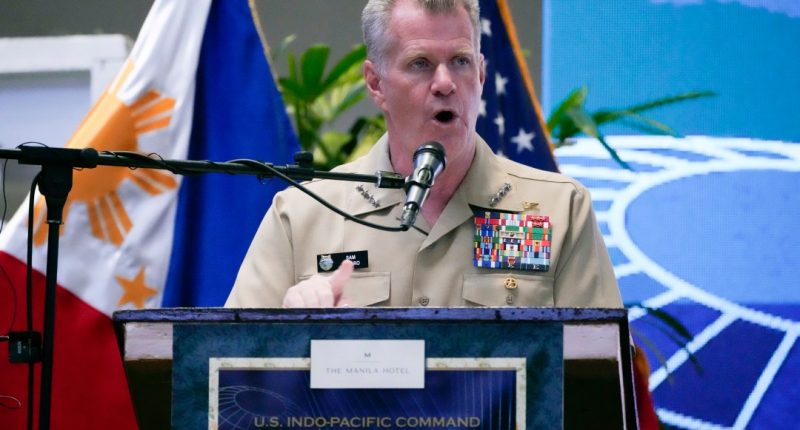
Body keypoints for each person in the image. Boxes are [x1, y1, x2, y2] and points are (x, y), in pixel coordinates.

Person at [225, 0, 622, 309]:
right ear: (376, 83)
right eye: (420, 64)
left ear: (481, 75)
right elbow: (232, 379)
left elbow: (598, 385)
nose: (445, 83)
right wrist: (285, 331)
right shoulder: (304, 214)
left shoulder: (559, 211)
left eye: (461, 62)